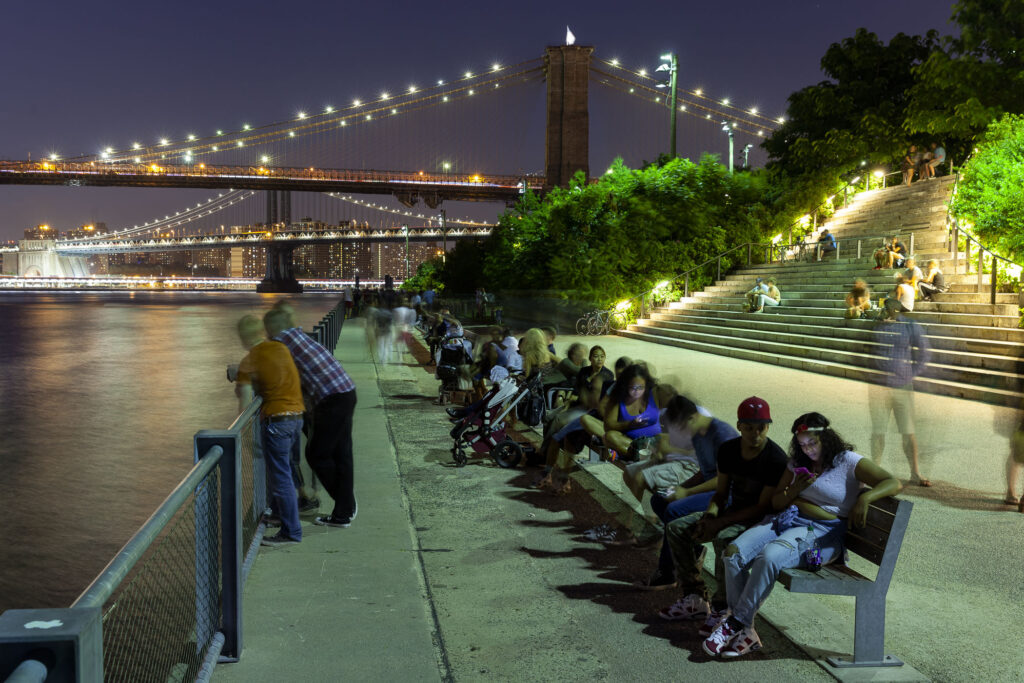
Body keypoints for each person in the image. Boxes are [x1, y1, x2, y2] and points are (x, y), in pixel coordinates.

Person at [701, 412, 902, 658]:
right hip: (787, 520)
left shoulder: (848, 461)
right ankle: (746, 631)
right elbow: (776, 502)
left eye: (812, 443)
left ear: (826, 438)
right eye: (802, 444)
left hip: (822, 538)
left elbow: (892, 482)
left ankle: (736, 622)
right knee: (732, 553)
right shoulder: (797, 462)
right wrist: (796, 489)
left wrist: (866, 499)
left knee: (769, 557)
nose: (807, 449)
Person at [657, 397, 788, 632]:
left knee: (723, 537)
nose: (755, 433)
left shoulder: (775, 459)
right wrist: (709, 516)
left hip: (760, 522)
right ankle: (695, 596)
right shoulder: (729, 450)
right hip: (731, 512)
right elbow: (720, 493)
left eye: (761, 427)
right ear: (739, 426)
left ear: (768, 426)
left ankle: (722, 607)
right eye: (749, 427)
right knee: (677, 528)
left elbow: (761, 507)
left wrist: (719, 522)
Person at [265, 307, 359, 528]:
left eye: (267, 328)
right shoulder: (299, 335)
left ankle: (346, 504)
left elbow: (269, 370)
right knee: (341, 454)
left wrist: (239, 372)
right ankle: (343, 512)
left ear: (273, 327)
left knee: (316, 454)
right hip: (345, 390)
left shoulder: (281, 342)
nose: (266, 333)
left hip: (330, 399)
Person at [637, 397, 739, 590]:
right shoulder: (698, 433)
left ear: (692, 417)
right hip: (712, 489)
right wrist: (680, 487)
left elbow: (723, 479)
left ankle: (668, 572)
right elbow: (704, 472)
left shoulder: (721, 434)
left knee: (674, 510)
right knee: (659, 500)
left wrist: (687, 492)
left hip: (728, 495)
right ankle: (692, 545)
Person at [234, 314, 305, 546]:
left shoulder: (249, 360)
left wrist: (243, 438)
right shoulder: (280, 348)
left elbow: (244, 404)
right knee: (286, 470)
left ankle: (291, 532)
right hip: (297, 416)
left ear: (244, 337)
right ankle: (279, 514)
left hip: (277, 420)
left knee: (280, 477)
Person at [870, 306, 932, 486]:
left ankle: (915, 472)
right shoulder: (878, 325)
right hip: (879, 385)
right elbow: (870, 349)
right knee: (878, 430)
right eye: (885, 307)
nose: (887, 310)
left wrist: (911, 372)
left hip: (902, 384)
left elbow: (924, 351)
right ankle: (875, 471)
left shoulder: (909, 326)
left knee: (908, 430)